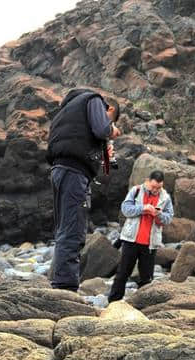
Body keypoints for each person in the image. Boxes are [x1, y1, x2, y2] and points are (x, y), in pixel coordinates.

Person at [46, 89, 121, 292]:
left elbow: (84, 137)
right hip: (74, 173)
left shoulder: (69, 109)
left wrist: (102, 151)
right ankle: (65, 287)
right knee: (74, 229)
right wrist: (110, 130)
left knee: (64, 228)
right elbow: (101, 129)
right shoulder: (94, 100)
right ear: (110, 109)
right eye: (112, 119)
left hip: (60, 170)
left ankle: (60, 282)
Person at [108, 170, 173, 302]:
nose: (155, 190)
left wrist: (158, 214)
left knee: (147, 278)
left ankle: (144, 305)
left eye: (158, 187)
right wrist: (143, 208)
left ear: (162, 185)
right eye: (153, 187)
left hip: (150, 244)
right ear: (147, 181)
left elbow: (169, 218)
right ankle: (113, 303)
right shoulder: (136, 190)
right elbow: (125, 209)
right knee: (122, 273)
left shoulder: (165, 197)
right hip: (131, 240)